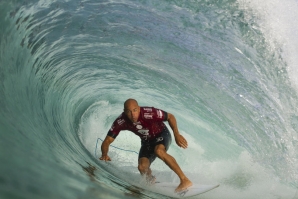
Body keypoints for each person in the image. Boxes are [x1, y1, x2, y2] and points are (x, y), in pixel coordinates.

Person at [99, 98, 192, 192]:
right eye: (129, 111)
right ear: (124, 112)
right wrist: (104, 155)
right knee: (142, 167)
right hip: (147, 142)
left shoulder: (149, 113)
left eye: (135, 110)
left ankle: (184, 180)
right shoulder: (121, 121)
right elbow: (107, 141)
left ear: (139, 108)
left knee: (159, 151)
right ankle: (151, 181)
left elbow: (170, 116)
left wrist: (176, 134)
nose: (133, 114)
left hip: (162, 134)